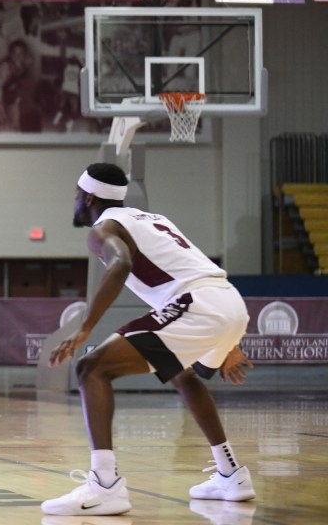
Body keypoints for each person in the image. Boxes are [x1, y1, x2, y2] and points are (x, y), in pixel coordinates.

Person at [42, 162, 256, 516]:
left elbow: (120, 264)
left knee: (91, 369)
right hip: (227, 300)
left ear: (89, 197)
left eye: (78, 193)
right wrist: (229, 338)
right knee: (183, 376)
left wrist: (85, 327)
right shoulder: (153, 219)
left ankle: (105, 486)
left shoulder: (103, 228)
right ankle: (231, 475)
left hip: (198, 305)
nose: (75, 199)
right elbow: (193, 269)